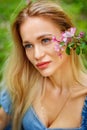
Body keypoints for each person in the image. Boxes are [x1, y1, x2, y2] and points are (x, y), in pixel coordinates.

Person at [0, 0, 87, 130]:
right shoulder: (23, 82)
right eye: (28, 45)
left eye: (45, 40)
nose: (37, 55)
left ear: (69, 38)